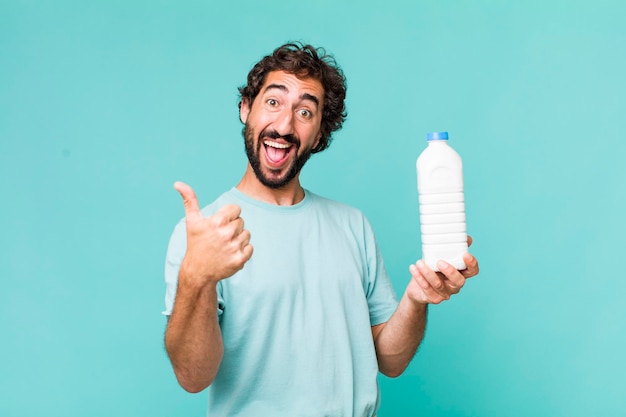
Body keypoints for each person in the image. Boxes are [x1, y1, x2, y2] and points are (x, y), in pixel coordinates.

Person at [163, 42, 479, 417]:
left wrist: (415, 299)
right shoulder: (205, 233)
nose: (284, 125)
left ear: (319, 135)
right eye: (274, 102)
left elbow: (389, 361)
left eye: (305, 112)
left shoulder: (352, 224)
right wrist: (196, 278)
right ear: (246, 109)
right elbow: (193, 376)